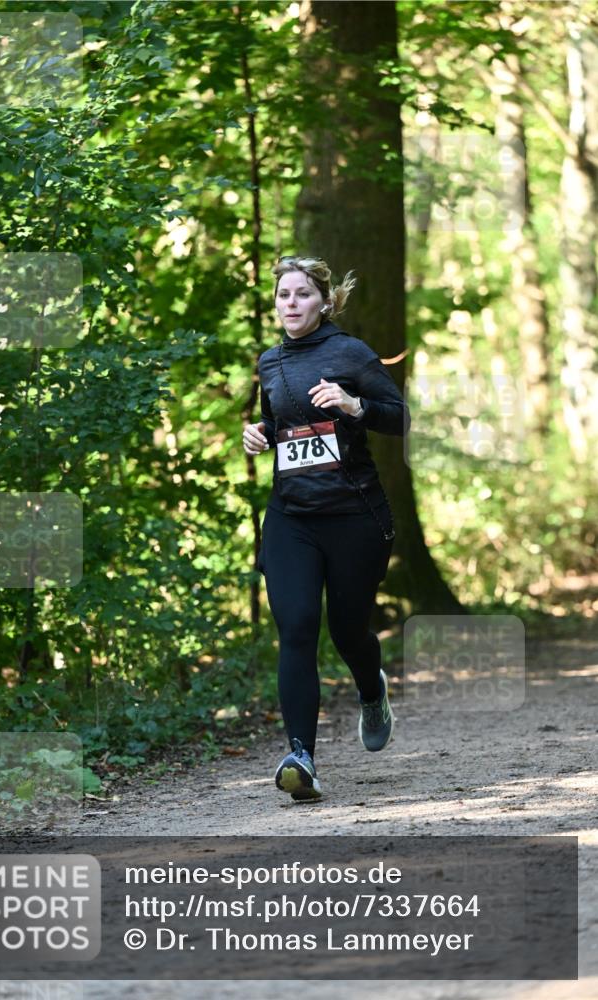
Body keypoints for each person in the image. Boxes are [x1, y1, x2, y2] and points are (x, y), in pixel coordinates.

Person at [242, 255, 410, 802]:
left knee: (346, 630)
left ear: (324, 301)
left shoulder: (351, 353)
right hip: (292, 515)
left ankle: (371, 688)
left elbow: (399, 415)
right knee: (297, 626)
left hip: (353, 515)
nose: (290, 303)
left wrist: (354, 404)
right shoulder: (270, 362)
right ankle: (301, 758)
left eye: (301, 295)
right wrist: (261, 433)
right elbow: (284, 420)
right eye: (282, 296)